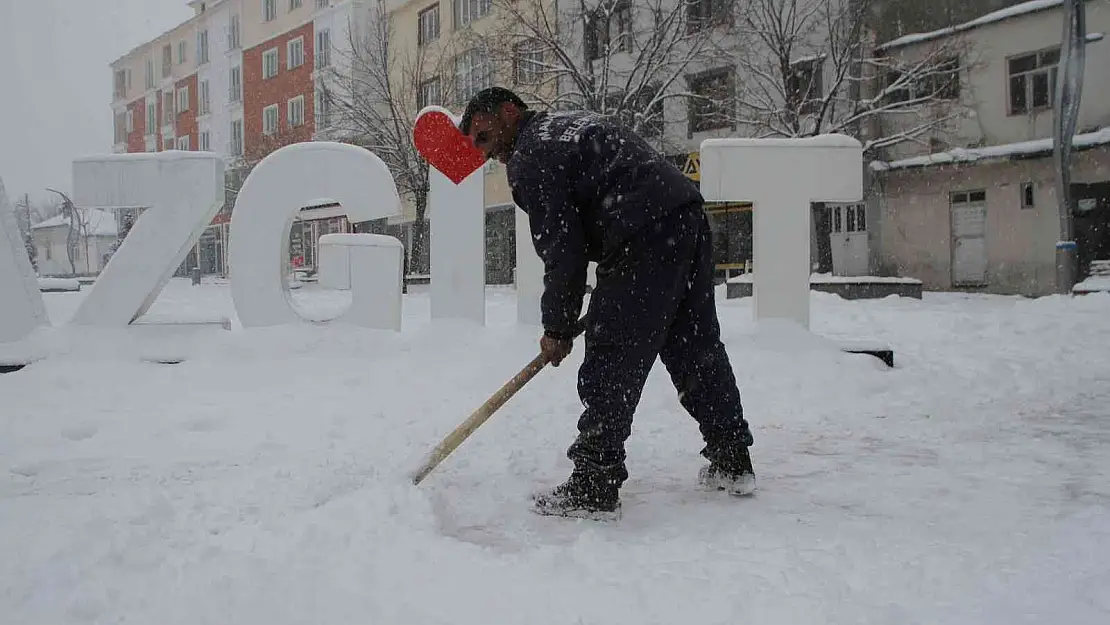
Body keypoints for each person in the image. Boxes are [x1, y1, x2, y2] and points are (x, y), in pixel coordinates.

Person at [460, 87, 756, 520]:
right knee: (694, 346)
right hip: (684, 214)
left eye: (485, 138)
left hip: (640, 232)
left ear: (509, 112)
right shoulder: (564, 126)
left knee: (613, 353)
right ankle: (733, 460)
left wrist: (558, 327)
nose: (487, 153)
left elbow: (563, 250)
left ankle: (595, 482)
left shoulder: (530, 155)